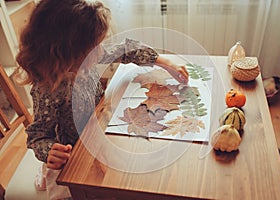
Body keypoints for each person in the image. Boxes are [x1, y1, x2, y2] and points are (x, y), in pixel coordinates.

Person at [15, 0, 188, 199]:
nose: (101, 52)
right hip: (75, 156)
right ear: (66, 51)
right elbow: (38, 136)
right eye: (95, 47)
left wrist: (163, 61)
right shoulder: (48, 89)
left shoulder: (85, 57)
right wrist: (50, 152)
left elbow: (124, 49)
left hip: (99, 131)